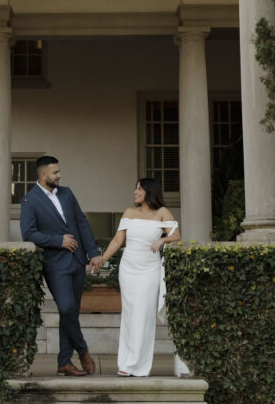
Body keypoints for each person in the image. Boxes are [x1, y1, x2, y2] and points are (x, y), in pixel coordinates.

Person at [20, 155, 104, 376]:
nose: (59, 175)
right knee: (66, 308)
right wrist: (59, 241)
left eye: (59, 171)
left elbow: (81, 223)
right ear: (42, 174)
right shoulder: (29, 200)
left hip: (77, 261)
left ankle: (64, 363)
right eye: (55, 172)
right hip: (55, 264)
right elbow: (28, 233)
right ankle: (83, 350)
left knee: (71, 313)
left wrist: (93, 253)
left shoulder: (67, 193)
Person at [96, 177, 181, 377]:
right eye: (135, 189)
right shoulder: (129, 213)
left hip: (150, 269)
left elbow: (177, 236)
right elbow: (118, 240)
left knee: (144, 315)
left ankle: (139, 365)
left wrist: (162, 241)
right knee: (130, 314)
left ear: (149, 191)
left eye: (139, 189)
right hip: (128, 268)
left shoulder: (162, 213)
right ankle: (126, 364)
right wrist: (102, 258)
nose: (135, 192)